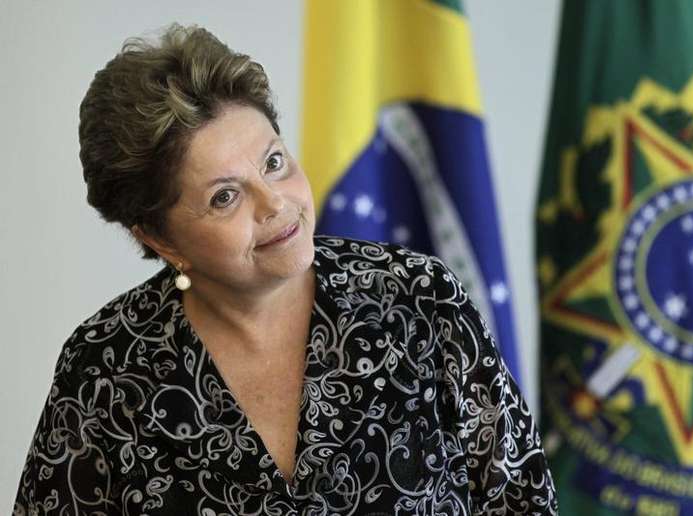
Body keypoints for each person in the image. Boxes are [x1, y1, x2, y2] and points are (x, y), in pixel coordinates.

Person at [14, 24, 558, 515]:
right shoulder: (105, 370)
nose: (274, 204)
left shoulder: (421, 300)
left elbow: (524, 499)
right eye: (225, 196)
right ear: (158, 237)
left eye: (273, 163)